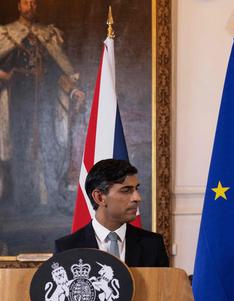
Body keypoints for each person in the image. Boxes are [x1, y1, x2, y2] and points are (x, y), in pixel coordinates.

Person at [0, 0, 85, 211]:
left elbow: (59, 72)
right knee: (18, 146)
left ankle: (52, 199)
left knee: (51, 144)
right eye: (26, 2)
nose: (31, 6)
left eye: (34, 2)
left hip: (45, 100)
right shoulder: (5, 34)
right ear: (19, 6)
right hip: (16, 99)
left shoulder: (48, 34)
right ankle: (19, 201)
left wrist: (74, 90)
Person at [55, 159, 169, 267]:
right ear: (99, 197)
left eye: (136, 189)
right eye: (126, 190)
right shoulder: (66, 248)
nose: (137, 198)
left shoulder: (153, 245)